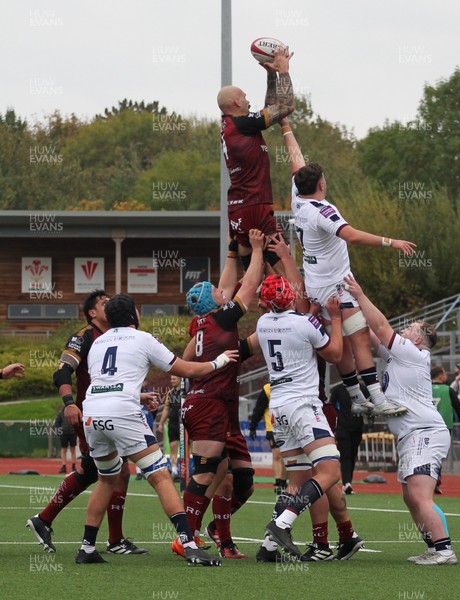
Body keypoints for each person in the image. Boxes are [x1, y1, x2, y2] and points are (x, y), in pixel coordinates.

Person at [75, 294, 237, 565]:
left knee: (106, 479)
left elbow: (107, 380)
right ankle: (189, 545)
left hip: (92, 411)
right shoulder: (142, 338)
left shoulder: (98, 342)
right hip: (122, 411)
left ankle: (87, 547)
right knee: (161, 476)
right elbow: (184, 369)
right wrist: (218, 362)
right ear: (132, 315)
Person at [280, 116, 415, 418]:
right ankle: (378, 400)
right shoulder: (321, 210)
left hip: (316, 285)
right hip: (336, 285)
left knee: (341, 345)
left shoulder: (298, 199)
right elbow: (351, 235)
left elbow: (295, 162)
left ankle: (356, 396)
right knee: (359, 338)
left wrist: (286, 127)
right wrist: (390, 242)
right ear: (322, 184)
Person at [345, 273, 457, 565]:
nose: (404, 330)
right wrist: (346, 303)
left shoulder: (414, 354)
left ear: (419, 339)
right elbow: (369, 331)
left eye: (410, 328)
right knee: (410, 498)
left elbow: (380, 326)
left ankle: (444, 550)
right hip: (412, 434)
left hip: (424, 432)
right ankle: (434, 546)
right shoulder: (402, 355)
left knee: (420, 496)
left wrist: (358, 293)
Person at [27, 290, 147, 556]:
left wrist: (138, 395)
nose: (110, 305)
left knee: (109, 472)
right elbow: (62, 370)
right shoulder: (84, 337)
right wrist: (69, 403)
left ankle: (110, 538)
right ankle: (48, 520)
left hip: (110, 411)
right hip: (89, 414)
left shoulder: (116, 336)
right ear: (92, 313)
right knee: (104, 472)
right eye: (104, 303)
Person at [172, 229, 264, 559]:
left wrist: (230, 252)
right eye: (218, 291)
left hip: (217, 403)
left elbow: (185, 357)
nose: (222, 290)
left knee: (241, 480)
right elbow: (248, 288)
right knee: (208, 472)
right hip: (209, 402)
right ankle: (188, 538)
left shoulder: (201, 323)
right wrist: (255, 251)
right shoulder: (222, 318)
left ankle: (217, 538)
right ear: (217, 302)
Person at [256, 274, 360, 558]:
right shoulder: (304, 324)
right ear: (290, 296)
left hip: (277, 407)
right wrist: (335, 318)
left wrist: (310, 316)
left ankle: (268, 547)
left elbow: (290, 326)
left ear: (265, 302)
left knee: (297, 480)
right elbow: (336, 354)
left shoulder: (262, 323)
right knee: (330, 472)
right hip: (303, 405)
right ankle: (282, 523)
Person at [217, 45, 294, 269]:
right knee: (284, 261)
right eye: (245, 97)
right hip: (255, 203)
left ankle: (264, 301)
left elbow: (269, 109)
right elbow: (287, 106)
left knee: (256, 267)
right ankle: (297, 302)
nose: (249, 101)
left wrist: (271, 75)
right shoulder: (241, 124)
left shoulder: (234, 124)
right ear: (237, 103)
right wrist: (284, 70)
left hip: (238, 206)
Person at [430, 366, 460, 494]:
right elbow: (459, 408)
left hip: (426, 425)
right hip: (443, 427)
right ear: (441, 376)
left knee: (427, 454)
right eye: (445, 374)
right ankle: (435, 480)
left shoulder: (425, 389)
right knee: (439, 456)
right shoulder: (448, 390)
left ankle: (426, 480)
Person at [249, 383, 288, 494]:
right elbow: (259, 409)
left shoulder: (291, 385)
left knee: (286, 455)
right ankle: (278, 482)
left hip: (289, 427)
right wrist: (253, 427)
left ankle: (283, 481)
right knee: (277, 455)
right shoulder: (267, 389)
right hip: (273, 427)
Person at [331, 383, 366, 495]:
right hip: (342, 428)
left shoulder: (363, 389)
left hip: (357, 427)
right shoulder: (338, 390)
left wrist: (369, 421)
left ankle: (348, 482)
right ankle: (346, 483)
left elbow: (370, 405)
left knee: (352, 455)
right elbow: (331, 407)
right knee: (345, 455)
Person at [157, 375, 183, 480]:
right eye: (171, 379)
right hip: (173, 423)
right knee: (173, 446)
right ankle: (174, 470)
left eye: (174, 379)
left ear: (180, 379)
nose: (172, 380)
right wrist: (161, 423)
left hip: (185, 423)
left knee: (188, 447)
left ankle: (190, 470)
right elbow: (166, 409)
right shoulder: (170, 393)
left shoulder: (186, 391)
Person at [54, 407, 77, 474]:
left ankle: (73, 466)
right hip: (63, 434)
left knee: (73, 449)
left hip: (73, 433)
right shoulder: (61, 413)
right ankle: (63, 466)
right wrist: (59, 432)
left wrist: (76, 431)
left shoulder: (74, 412)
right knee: (64, 450)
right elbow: (56, 424)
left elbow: (78, 422)